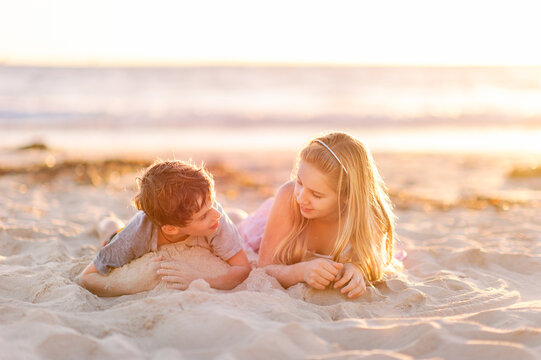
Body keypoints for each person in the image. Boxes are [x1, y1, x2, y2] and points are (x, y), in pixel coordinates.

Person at [241, 131, 399, 299]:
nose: (301, 197)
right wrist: (301, 271)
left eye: (316, 194)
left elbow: (375, 264)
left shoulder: (371, 217)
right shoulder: (289, 197)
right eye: (300, 183)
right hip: (273, 223)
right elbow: (264, 268)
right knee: (237, 221)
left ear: (347, 197)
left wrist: (357, 269)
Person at [79, 160, 251, 297]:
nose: (216, 215)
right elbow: (86, 278)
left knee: (237, 217)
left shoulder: (215, 218)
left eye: (212, 202)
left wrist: (199, 279)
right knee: (112, 228)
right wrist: (130, 284)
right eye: (203, 216)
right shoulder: (135, 236)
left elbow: (242, 268)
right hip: (125, 231)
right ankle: (106, 220)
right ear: (171, 229)